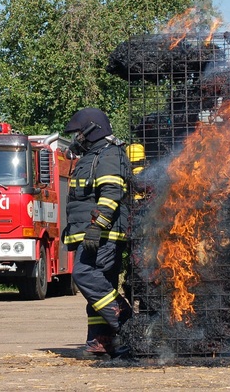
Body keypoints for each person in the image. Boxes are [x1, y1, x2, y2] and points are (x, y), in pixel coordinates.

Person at [62, 107, 132, 357]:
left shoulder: (109, 154)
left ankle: (124, 319)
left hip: (102, 234)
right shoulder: (92, 156)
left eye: (79, 132)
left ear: (93, 129)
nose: (77, 137)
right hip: (95, 233)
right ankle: (101, 341)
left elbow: (111, 193)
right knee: (102, 285)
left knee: (84, 276)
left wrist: (96, 227)